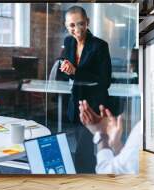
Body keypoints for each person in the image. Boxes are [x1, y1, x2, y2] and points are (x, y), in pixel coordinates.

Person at [57, 6, 112, 173]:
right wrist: (65, 66)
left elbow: (105, 81)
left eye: (80, 24)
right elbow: (66, 65)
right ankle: (90, 176)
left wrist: (76, 71)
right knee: (83, 149)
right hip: (76, 102)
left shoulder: (100, 46)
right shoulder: (68, 41)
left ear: (87, 22)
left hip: (94, 105)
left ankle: (84, 180)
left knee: (82, 149)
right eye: (72, 25)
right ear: (66, 26)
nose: (77, 29)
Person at [79, 100, 141, 174]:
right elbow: (130, 167)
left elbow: (107, 176)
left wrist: (102, 135)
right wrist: (116, 145)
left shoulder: (144, 130)